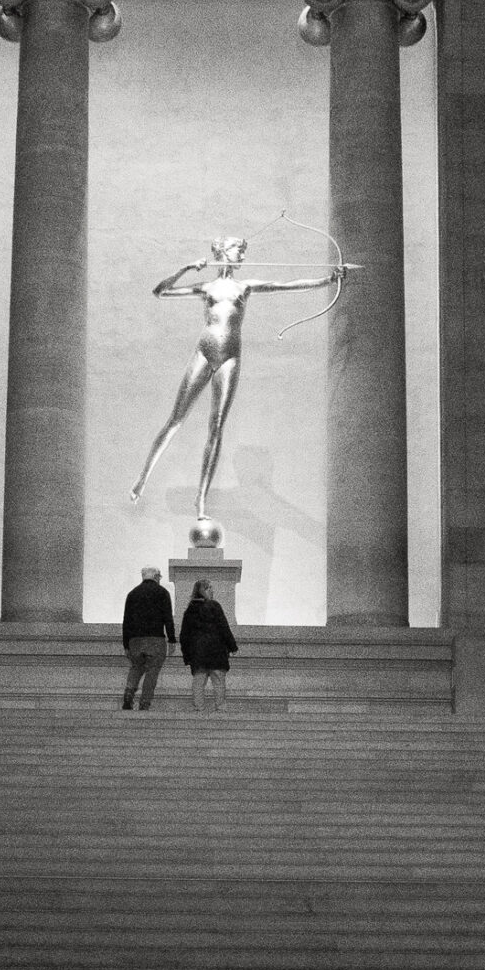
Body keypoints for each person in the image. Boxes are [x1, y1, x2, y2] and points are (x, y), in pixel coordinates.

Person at [130, 236, 350, 522]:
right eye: (238, 251)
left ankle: (201, 500)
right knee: (176, 420)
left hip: (230, 356)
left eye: (244, 252)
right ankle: (143, 477)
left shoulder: (244, 287)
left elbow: (285, 285)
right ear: (223, 251)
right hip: (205, 351)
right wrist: (186, 268)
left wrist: (328, 280)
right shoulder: (207, 287)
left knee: (217, 426)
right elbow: (160, 291)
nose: (242, 256)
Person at [119, 567, 175, 711]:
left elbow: (126, 621)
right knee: (152, 671)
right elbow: (168, 618)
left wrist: (126, 644)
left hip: (135, 640)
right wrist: (172, 639)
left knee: (136, 667)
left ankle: (128, 694)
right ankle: (144, 702)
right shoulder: (162, 592)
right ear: (156, 577)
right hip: (155, 639)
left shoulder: (132, 594)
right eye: (159, 577)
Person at [179, 579, 238, 713]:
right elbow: (224, 627)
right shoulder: (214, 606)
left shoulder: (190, 610)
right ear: (201, 591)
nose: (212, 590)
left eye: (211, 587)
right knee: (218, 681)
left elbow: (184, 635)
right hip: (216, 651)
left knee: (199, 682)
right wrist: (232, 646)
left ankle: (198, 708)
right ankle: (220, 708)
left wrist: (187, 655)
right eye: (208, 588)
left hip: (198, 653)